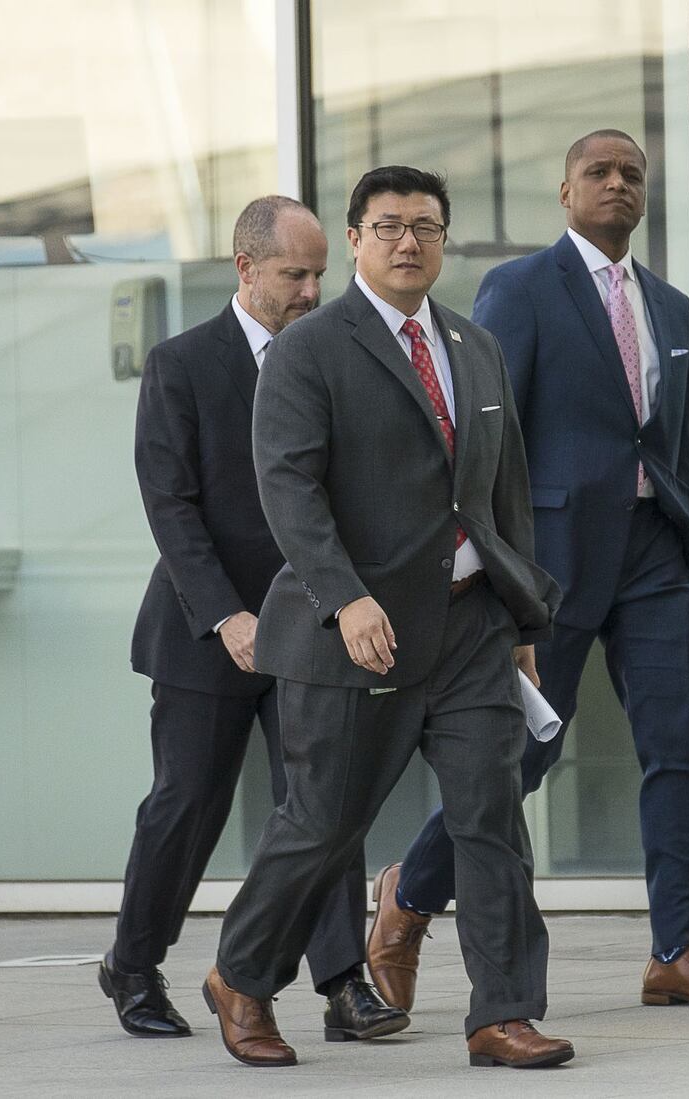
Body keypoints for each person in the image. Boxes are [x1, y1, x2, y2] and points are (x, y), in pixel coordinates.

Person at [370, 130, 689, 1012]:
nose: (618, 185)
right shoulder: (521, 287)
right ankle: (408, 894)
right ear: (564, 191)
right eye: (599, 172)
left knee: (683, 745)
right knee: (522, 752)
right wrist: (491, 557)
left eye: (632, 174)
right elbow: (486, 427)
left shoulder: (670, 305)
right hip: (550, 558)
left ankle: (683, 949)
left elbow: (675, 434)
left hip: (654, 550)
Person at [202, 166, 573, 1070]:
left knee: (491, 815)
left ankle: (502, 1012)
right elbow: (287, 488)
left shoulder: (473, 346)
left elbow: (504, 490)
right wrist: (346, 595)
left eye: (427, 227)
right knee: (323, 822)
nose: (409, 242)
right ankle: (241, 976)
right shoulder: (309, 348)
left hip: (471, 628)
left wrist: (521, 619)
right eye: (389, 226)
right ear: (357, 239)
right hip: (356, 631)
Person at [105, 195, 405, 1044]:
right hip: (211, 627)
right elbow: (172, 507)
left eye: (320, 273)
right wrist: (226, 616)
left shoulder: (343, 356)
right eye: (294, 274)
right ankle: (132, 964)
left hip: (312, 621)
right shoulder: (183, 363)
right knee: (187, 802)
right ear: (246, 269)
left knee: (323, 801)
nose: (313, 290)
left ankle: (344, 982)